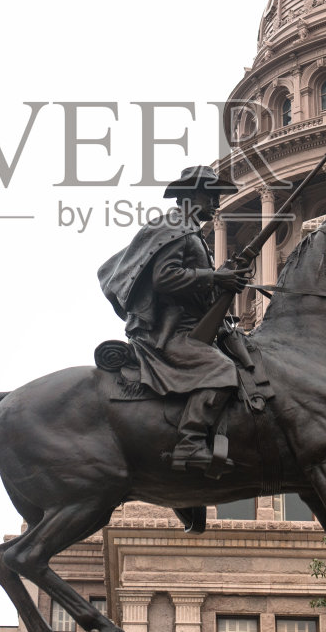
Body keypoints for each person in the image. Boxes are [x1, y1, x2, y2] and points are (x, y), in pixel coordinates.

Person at [98, 166, 249, 472]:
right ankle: (190, 443)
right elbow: (164, 278)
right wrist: (216, 278)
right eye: (211, 195)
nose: (217, 203)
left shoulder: (191, 230)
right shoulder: (174, 226)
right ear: (192, 194)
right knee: (221, 370)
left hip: (191, 328)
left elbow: (195, 291)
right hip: (169, 334)